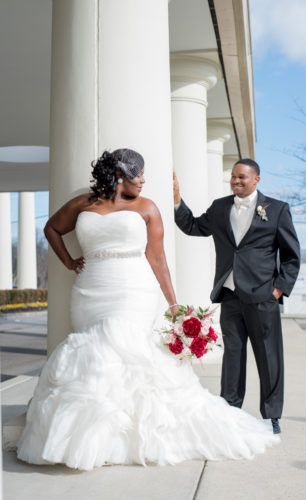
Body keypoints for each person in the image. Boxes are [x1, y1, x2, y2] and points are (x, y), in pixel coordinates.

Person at [17, 150, 279, 471]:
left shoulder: (147, 207)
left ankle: (129, 437)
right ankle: (105, 436)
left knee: (123, 346)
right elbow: (52, 229)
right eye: (137, 173)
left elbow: (157, 259)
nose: (143, 179)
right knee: (95, 355)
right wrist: (69, 262)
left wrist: (173, 304)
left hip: (133, 290)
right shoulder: (84, 204)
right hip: (89, 289)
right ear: (119, 175)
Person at [174, 158, 300, 435]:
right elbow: (194, 227)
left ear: (256, 179)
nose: (236, 181)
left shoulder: (277, 210)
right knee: (232, 355)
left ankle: (271, 416)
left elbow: (292, 257)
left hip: (262, 296)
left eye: (242, 177)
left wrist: (278, 289)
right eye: (233, 177)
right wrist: (176, 202)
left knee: (269, 357)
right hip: (230, 294)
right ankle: (229, 410)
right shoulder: (220, 207)